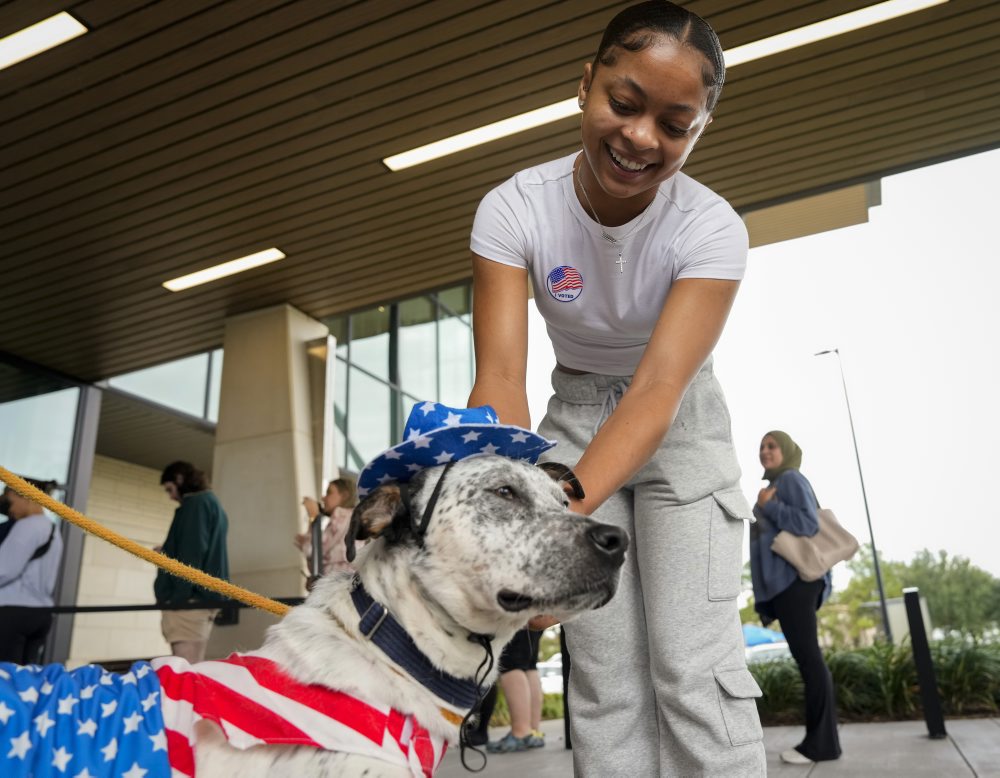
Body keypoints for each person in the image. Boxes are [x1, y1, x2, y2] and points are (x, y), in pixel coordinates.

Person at [468, 2, 765, 774]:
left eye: (675, 124)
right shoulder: (514, 209)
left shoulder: (711, 228)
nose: (640, 138)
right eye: (624, 104)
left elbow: (658, 391)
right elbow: (501, 376)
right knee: (603, 679)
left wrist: (544, 522)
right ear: (585, 85)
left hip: (679, 424)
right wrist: (499, 507)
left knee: (688, 665)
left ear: (699, 130)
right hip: (570, 419)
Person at [750, 431, 841, 764]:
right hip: (787, 586)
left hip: (796, 583)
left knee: (810, 661)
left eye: (772, 446)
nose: (764, 451)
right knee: (810, 661)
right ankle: (824, 742)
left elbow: (806, 523)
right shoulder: (774, 485)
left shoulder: (789, 479)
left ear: (787, 451)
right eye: (761, 447)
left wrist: (768, 506)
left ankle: (821, 745)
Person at [155, 461, 230, 665]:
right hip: (200, 598)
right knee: (191, 667)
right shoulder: (211, 504)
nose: (171, 496)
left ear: (180, 479)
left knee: (186, 670)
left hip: (188, 602)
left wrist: (177, 598)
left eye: (170, 489)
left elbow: (191, 554)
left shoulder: (195, 505)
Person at [0, 477, 63, 664]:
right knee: (26, 680)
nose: (9, 510)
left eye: (10, 502)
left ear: (26, 497)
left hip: (12, 611)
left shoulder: (26, 526)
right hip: (41, 615)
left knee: (4, 678)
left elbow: (4, 570)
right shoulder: (53, 529)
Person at [485, 628, 546, 753]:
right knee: (529, 664)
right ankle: (532, 732)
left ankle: (521, 732)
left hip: (519, 612)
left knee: (511, 662)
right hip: (539, 612)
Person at [293, 476, 360, 588]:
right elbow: (321, 562)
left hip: (339, 592)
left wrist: (313, 516)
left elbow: (311, 550)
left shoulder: (343, 517)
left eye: (329, 493)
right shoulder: (349, 519)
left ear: (344, 496)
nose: (323, 498)